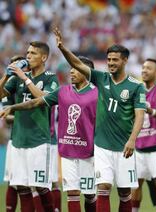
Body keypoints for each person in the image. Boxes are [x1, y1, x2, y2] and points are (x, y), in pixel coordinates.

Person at [53, 28, 147, 212]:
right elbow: (78, 64)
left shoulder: (136, 86)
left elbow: (140, 115)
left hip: (124, 145)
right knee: (102, 187)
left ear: (125, 60)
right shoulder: (101, 78)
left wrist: (132, 139)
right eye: (109, 59)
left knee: (124, 191)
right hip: (102, 146)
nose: (111, 63)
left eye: (115, 59)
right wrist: (62, 48)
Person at [0, 56, 98, 212]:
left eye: (75, 68)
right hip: (67, 149)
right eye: (70, 68)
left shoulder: (97, 94)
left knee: (89, 194)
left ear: (87, 73)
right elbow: (37, 102)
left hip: (89, 151)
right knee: (72, 193)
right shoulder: (63, 91)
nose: (71, 71)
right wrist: (14, 107)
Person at [0, 41, 59, 212]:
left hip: (39, 141)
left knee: (40, 187)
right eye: (27, 52)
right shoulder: (16, 78)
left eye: (33, 53)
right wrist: (6, 75)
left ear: (43, 57)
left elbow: (43, 99)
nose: (28, 56)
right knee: (22, 188)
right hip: (18, 140)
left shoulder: (50, 77)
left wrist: (24, 78)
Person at [132, 58, 156, 212]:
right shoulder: (137, 90)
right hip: (140, 146)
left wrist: (150, 110)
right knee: (136, 182)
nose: (144, 71)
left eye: (148, 68)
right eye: (143, 68)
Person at [2, 55, 26, 212]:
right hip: (16, 140)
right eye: (12, 64)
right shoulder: (10, 87)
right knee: (13, 181)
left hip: (41, 138)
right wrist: (24, 116)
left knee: (39, 184)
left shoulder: (32, 83)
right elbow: (6, 116)